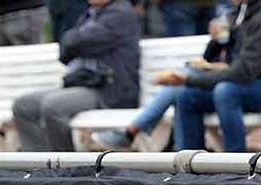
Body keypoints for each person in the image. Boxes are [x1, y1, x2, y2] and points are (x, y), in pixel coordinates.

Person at [163, 0, 261, 152]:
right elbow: (224, 60)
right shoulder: (247, 11)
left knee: (226, 91)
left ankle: (235, 166)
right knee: (186, 95)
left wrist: (190, 80)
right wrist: (219, 39)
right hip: (255, 83)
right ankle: (190, 167)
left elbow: (243, 73)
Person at [12, 0, 141, 151]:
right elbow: (66, 49)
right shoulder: (89, 14)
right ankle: (41, 163)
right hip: (82, 85)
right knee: (24, 105)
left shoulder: (121, 12)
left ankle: (66, 165)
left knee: (53, 106)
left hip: (108, 90)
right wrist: (73, 41)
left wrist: (73, 41)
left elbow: (82, 41)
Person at [92, 15, 235, 149]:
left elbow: (240, 68)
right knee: (182, 89)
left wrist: (215, 67)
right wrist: (216, 40)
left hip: (233, 88)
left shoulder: (248, 20)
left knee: (182, 85)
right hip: (210, 86)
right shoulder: (233, 17)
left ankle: (131, 131)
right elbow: (207, 59)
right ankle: (135, 134)